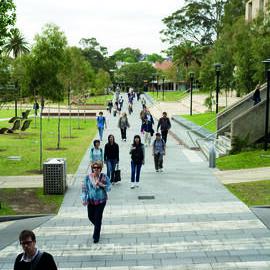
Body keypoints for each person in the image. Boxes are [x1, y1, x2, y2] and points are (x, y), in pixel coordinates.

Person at [81, 161, 111, 243]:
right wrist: (84, 199)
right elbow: (84, 189)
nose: (96, 169)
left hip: (101, 201)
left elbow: (109, 188)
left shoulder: (104, 177)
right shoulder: (87, 178)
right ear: (92, 168)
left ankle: (96, 236)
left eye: (98, 168)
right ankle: (98, 226)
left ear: (100, 169)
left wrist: (102, 185)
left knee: (98, 217)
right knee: (90, 216)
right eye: (94, 167)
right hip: (91, 201)